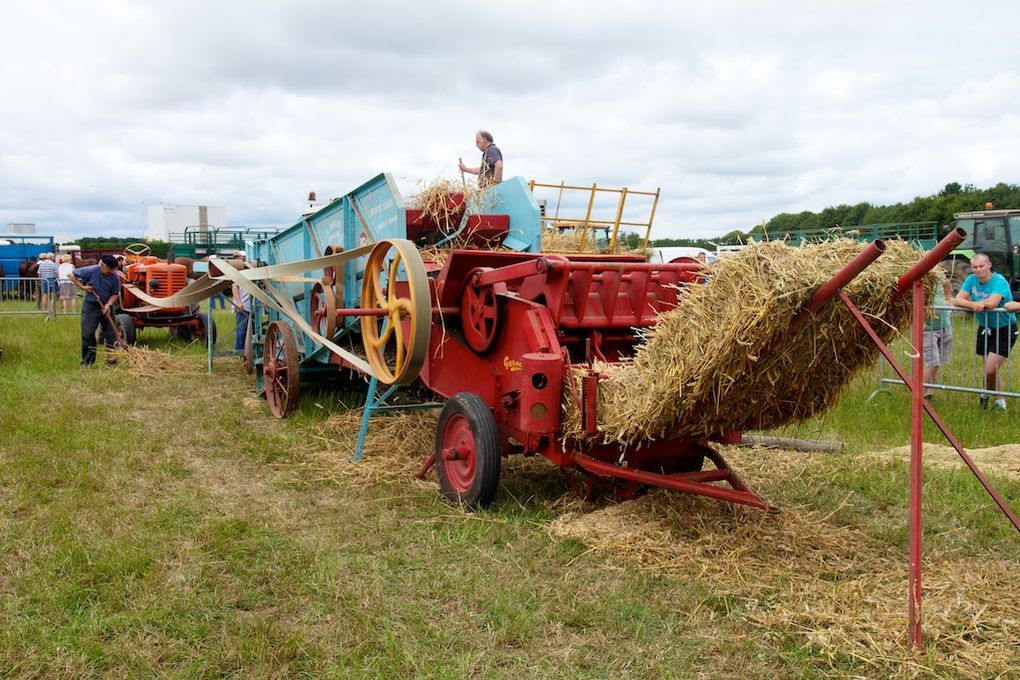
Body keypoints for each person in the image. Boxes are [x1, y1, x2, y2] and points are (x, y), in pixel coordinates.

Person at [952, 253, 1017, 410]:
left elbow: (993, 303)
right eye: (975, 267)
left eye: (981, 266)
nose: (978, 270)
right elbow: (957, 299)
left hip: (1004, 328)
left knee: (990, 369)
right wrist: (974, 305)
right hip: (985, 327)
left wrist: (974, 303)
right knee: (990, 369)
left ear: (989, 265)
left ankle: (986, 394)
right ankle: (997, 401)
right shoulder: (971, 280)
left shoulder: (999, 281)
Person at [69, 255, 122, 366]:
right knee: (87, 334)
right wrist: (82, 287)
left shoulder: (115, 277)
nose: (112, 271)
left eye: (114, 269)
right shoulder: (90, 271)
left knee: (111, 334)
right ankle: (88, 361)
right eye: (110, 268)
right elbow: (71, 274)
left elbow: (115, 294)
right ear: (102, 265)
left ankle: (112, 360)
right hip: (91, 306)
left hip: (107, 306)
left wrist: (108, 304)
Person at [922, 280, 953, 399]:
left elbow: (947, 284)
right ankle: (920, 394)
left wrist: (948, 298)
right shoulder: (923, 277)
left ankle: (930, 393)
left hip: (944, 325)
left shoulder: (940, 274)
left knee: (937, 362)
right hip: (928, 329)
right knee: (932, 362)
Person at [231, 253, 251, 351]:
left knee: (251, 332)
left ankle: (248, 352)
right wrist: (238, 303)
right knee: (241, 331)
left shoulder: (251, 272)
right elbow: (234, 287)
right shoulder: (239, 273)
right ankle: (239, 352)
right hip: (243, 307)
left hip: (252, 308)